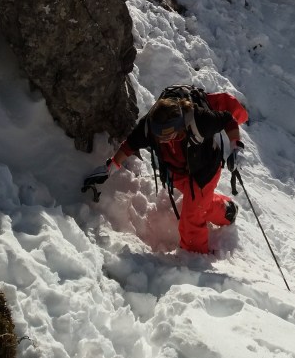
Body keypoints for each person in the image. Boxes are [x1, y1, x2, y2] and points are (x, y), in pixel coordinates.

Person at [96, 87, 247, 254]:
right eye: (159, 137)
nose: (162, 140)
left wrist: (236, 147)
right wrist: (111, 167)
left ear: (180, 126)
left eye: (168, 136)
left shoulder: (199, 119)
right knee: (197, 204)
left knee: (191, 218)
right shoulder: (149, 126)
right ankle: (226, 211)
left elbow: (228, 119)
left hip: (204, 170)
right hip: (177, 171)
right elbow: (130, 145)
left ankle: (193, 257)